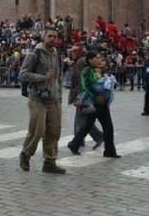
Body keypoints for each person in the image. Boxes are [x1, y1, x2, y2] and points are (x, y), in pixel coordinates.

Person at [18, 28, 66, 174]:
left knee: (54, 131)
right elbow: (23, 74)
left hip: (54, 99)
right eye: (49, 36)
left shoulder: (56, 55)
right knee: (37, 130)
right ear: (43, 38)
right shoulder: (35, 54)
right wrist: (42, 78)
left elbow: (58, 77)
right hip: (37, 98)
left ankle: (50, 161)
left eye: (55, 37)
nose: (52, 39)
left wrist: (59, 95)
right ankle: (26, 154)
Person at [67, 51, 119, 158]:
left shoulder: (99, 70)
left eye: (99, 58)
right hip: (93, 102)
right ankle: (75, 144)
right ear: (89, 60)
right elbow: (86, 85)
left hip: (101, 102)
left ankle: (75, 144)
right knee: (100, 126)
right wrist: (96, 94)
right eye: (96, 58)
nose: (98, 60)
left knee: (94, 126)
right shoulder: (87, 71)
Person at [66, 45, 103, 153]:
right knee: (81, 118)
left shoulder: (81, 62)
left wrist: (82, 97)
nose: (72, 54)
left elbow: (83, 80)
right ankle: (80, 140)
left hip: (82, 94)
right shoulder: (81, 60)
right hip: (81, 93)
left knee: (82, 118)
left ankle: (82, 140)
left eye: (74, 52)